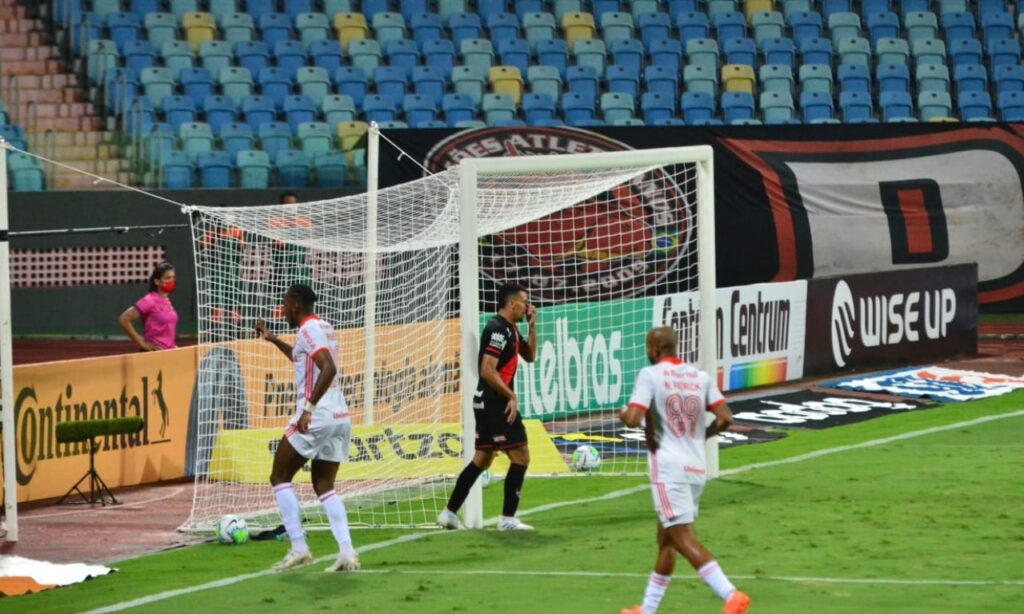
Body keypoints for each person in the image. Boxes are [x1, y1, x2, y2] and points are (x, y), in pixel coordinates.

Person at [619, 327, 750, 614]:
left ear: (654, 349)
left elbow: (633, 419)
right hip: (695, 466)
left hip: (668, 469)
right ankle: (647, 610)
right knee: (665, 540)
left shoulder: (650, 375)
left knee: (681, 537)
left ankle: (731, 594)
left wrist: (623, 413)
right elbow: (726, 417)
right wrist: (701, 436)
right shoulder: (698, 376)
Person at [255, 283, 358, 573]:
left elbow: (328, 368)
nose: (283, 309)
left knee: (279, 476)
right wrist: (274, 340)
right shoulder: (323, 327)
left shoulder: (307, 330)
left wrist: (309, 409)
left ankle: (299, 547)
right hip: (340, 414)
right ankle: (347, 553)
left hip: (318, 414)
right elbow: (304, 359)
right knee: (324, 485)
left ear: (296, 305)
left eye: (286, 304)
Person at [437, 282, 538, 531]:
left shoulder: (511, 329)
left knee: (482, 459)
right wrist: (510, 396)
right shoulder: (497, 329)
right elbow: (487, 370)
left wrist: (532, 325)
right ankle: (507, 519)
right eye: (525, 302)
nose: (528, 306)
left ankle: (449, 514)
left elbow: (530, 356)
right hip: (495, 403)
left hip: (487, 402)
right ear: (512, 303)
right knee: (521, 457)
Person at [118, 263, 178, 351]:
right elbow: (124, 319)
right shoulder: (149, 300)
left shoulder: (166, 301)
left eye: (173, 277)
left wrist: (171, 345)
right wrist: (142, 343)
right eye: (167, 278)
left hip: (168, 353)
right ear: (157, 281)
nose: (171, 281)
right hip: (153, 354)